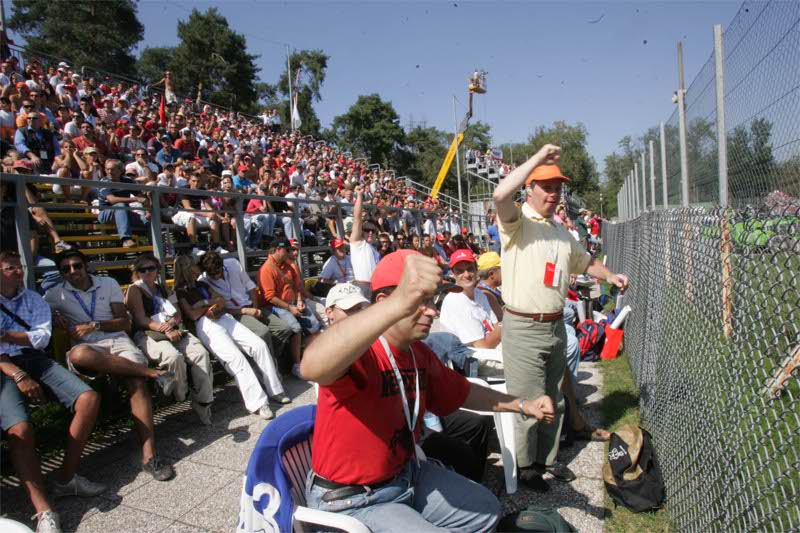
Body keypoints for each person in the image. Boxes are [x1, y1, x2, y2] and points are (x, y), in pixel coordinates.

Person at [299, 250, 556, 532]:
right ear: (388, 302)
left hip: (406, 475)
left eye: (432, 301)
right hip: (355, 499)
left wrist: (522, 404)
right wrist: (398, 302)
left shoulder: (417, 352)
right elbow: (312, 367)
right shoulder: (362, 350)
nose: (433, 311)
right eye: (421, 302)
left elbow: (464, 392)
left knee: (486, 511)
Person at [492, 144, 629, 491]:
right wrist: (537, 158)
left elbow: (583, 262)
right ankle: (525, 469)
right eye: (546, 187)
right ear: (530, 189)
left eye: (557, 188)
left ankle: (546, 461)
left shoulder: (559, 230)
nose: (553, 194)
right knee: (528, 400)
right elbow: (499, 193)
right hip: (523, 325)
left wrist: (609, 275)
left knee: (554, 399)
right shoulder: (517, 223)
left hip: (554, 323)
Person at [44, 250, 177, 482]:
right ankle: (155, 373)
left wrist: (95, 325)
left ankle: (150, 456)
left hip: (117, 340)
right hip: (89, 350)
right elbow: (37, 317)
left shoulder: (108, 283)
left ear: (86, 266)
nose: (73, 272)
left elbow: (124, 323)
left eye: (77, 266)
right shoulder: (55, 294)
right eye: (66, 269)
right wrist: (53, 317)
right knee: (78, 354)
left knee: (135, 382)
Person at [0, 251, 104, 533]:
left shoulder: (33, 298)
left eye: (19, 267)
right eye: (11, 268)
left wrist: (7, 336)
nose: (19, 272)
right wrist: (19, 374)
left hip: (32, 358)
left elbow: (41, 337)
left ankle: (66, 477)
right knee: (20, 430)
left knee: (88, 398)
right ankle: (44, 510)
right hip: (4, 365)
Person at [173, 255, 287, 420]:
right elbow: (192, 314)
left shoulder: (202, 284)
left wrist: (207, 304)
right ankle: (259, 403)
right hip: (205, 324)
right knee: (236, 358)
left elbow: (221, 301)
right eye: (194, 266)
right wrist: (209, 305)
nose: (199, 268)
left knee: (258, 345)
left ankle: (275, 389)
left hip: (223, 317)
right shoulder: (180, 291)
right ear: (188, 269)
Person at [125, 254, 214, 425]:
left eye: (151, 268)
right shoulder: (135, 289)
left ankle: (203, 402)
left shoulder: (163, 287)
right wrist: (165, 329)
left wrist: (173, 322)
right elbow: (141, 319)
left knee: (201, 354)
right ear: (137, 272)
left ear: (157, 269)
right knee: (174, 357)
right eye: (142, 269)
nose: (147, 272)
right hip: (148, 333)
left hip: (172, 328)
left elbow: (177, 312)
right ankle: (183, 394)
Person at [197, 251, 293, 368]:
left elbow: (250, 286)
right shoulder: (203, 281)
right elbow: (219, 309)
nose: (216, 276)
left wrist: (255, 308)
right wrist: (245, 311)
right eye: (212, 274)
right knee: (263, 332)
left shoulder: (232, 264)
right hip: (235, 313)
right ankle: (270, 365)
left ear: (222, 265)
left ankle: (268, 359)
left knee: (284, 328)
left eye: (218, 272)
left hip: (251, 305)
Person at [258, 242, 321, 379]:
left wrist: (299, 300)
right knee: (295, 328)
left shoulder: (288, 265)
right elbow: (269, 297)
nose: (290, 253)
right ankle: (296, 365)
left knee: (315, 326)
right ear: (278, 249)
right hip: (278, 306)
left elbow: (297, 286)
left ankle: (311, 357)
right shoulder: (266, 269)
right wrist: (289, 308)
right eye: (287, 250)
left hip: (293, 303)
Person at [96, 159, 150, 248]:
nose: (109, 172)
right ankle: (126, 239)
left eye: (112, 169)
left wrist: (148, 212)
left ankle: (156, 248)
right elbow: (112, 200)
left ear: (121, 170)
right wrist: (135, 199)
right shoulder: (104, 182)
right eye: (107, 169)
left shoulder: (127, 181)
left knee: (148, 221)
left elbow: (142, 197)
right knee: (120, 206)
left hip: (125, 213)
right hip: (105, 213)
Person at [476, 251, 504, 321]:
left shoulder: (488, 289)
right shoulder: (487, 296)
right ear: (491, 274)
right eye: (502, 269)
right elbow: (502, 320)